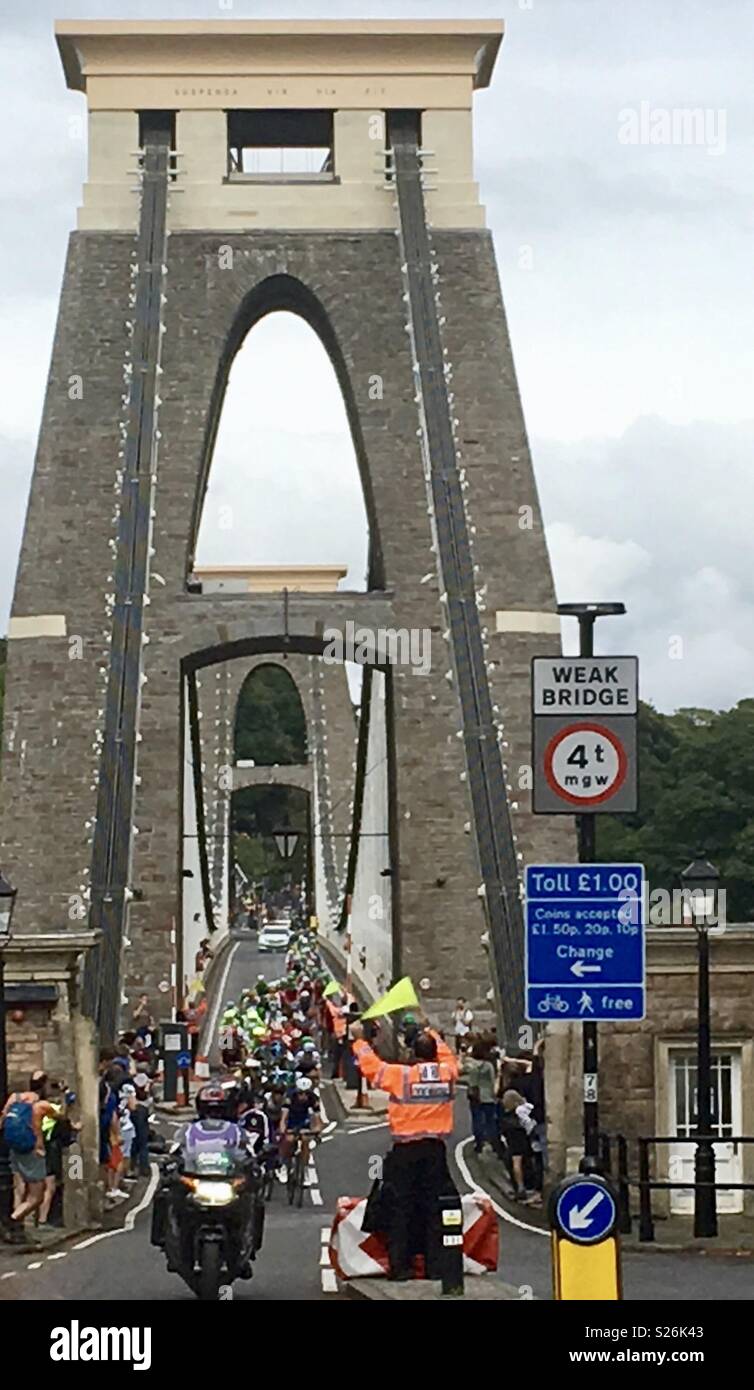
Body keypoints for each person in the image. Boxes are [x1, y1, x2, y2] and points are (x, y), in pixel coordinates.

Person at [350, 1015, 460, 1281]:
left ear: (412, 1052)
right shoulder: (447, 1073)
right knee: (435, 1208)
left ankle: (400, 1268)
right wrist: (430, 1031)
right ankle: (436, 1267)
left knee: (401, 1209)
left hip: (405, 1151)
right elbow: (448, 1056)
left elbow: (371, 1067)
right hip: (435, 1151)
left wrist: (359, 1041)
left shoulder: (401, 1076)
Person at [0, 1073, 61, 1234]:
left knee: (19, 1186)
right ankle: (12, 1220)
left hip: (13, 1147)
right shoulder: (42, 1105)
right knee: (37, 1195)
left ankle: (17, 1226)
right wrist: (65, 1096)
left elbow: (3, 1117)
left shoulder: (15, 1097)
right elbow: (62, 1116)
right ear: (44, 1086)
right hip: (33, 1150)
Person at [499, 1089, 541, 1206]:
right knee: (521, 1162)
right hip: (523, 1141)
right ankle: (524, 1188)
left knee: (516, 1162)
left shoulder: (509, 1117)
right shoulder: (525, 1110)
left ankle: (521, 1188)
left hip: (515, 1141)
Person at [462, 1039, 501, 1156]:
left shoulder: (471, 1064)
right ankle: (494, 1144)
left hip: (475, 1096)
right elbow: (493, 1080)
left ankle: (479, 1143)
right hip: (488, 1095)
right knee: (490, 1121)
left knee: (477, 1119)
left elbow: (462, 1069)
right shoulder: (488, 1065)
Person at [279, 1075, 321, 1181]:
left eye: (306, 1093)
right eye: (300, 1093)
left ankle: (305, 1169)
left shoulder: (313, 1098)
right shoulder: (290, 1097)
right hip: (292, 1120)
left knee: (305, 1141)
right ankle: (283, 1166)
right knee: (288, 1140)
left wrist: (316, 1130)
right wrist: (283, 1130)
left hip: (304, 1121)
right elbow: (284, 1117)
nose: (303, 1096)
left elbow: (317, 1119)